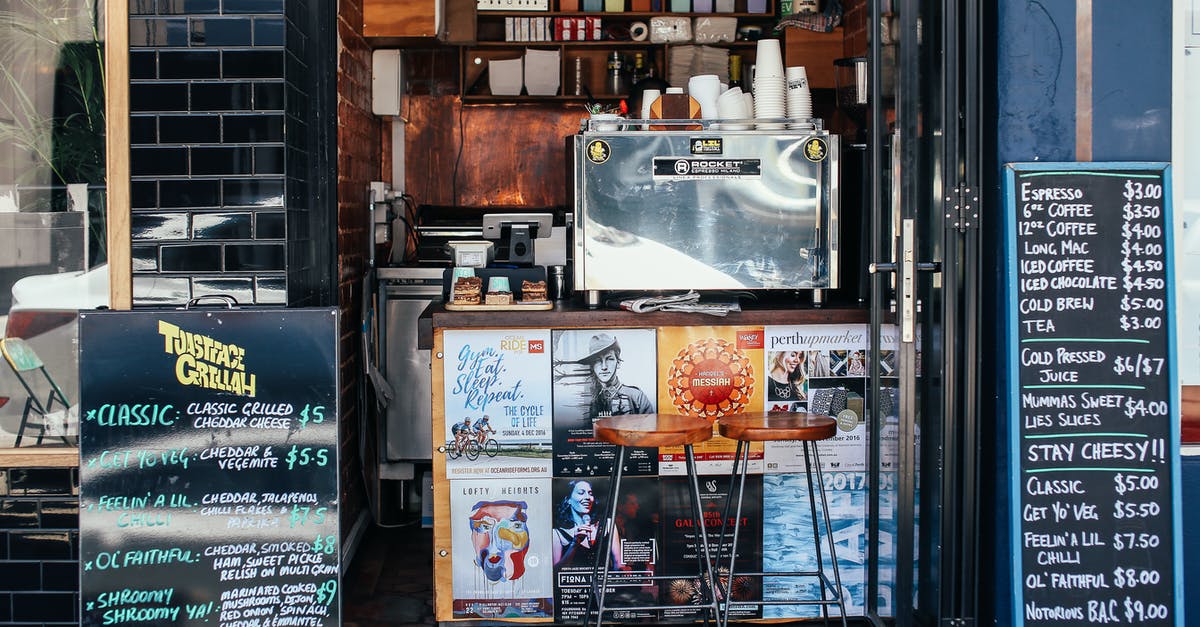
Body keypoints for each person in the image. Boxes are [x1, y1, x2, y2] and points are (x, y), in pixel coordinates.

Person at [581, 333, 653, 419]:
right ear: (593, 367)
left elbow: (650, 425)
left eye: (609, 359)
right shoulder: (592, 402)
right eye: (598, 361)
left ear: (618, 363)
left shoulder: (636, 397)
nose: (604, 367)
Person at [553, 479, 623, 569]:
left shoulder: (607, 525)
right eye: (581, 493)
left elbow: (618, 564)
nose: (587, 497)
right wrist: (575, 544)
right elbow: (556, 572)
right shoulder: (558, 534)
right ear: (568, 499)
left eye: (590, 493)